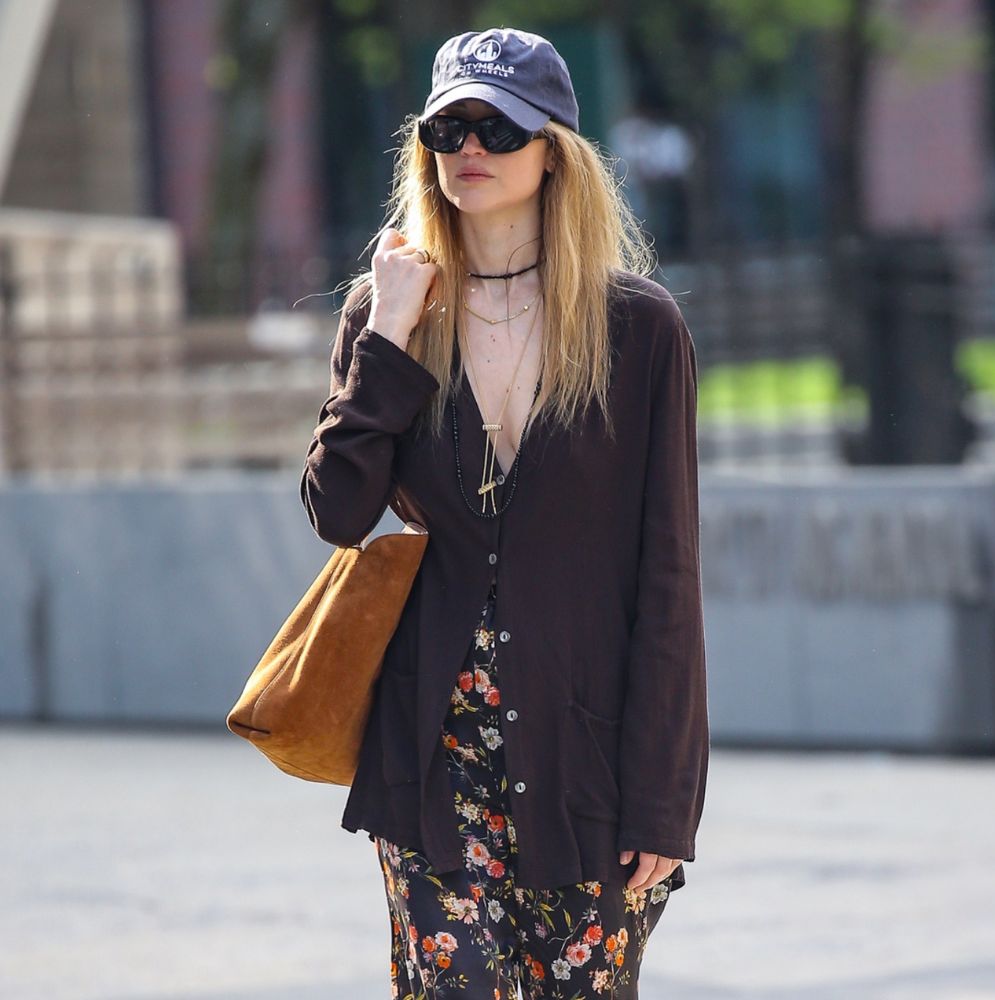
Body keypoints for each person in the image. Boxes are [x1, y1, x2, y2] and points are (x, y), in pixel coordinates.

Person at [300, 26, 709, 1000]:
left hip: (587, 757)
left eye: (500, 127)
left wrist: (665, 798)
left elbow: (668, 574)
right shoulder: (386, 314)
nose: (471, 147)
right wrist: (389, 334)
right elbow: (338, 511)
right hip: (429, 753)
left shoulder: (637, 329)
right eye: (449, 128)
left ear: (554, 151)